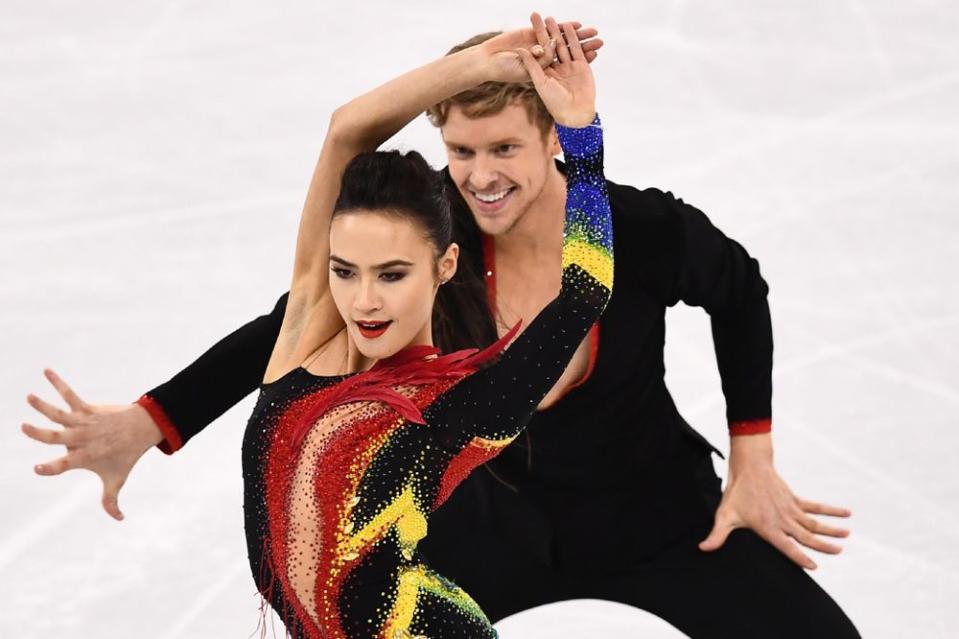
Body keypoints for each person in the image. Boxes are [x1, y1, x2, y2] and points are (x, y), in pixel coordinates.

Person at [23, 14, 860, 639]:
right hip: (485, 534)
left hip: (648, 512)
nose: (481, 176)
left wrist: (752, 455)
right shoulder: (433, 245)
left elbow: (737, 288)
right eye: (461, 152)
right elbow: (293, 325)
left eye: (502, 148)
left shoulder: (637, 231)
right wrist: (152, 419)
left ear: (549, 138)